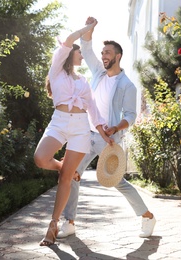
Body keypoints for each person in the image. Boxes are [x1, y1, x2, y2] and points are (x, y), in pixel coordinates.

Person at [58, 17, 156, 239]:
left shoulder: (127, 85)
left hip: (106, 138)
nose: (103, 57)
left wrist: (115, 127)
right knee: (72, 174)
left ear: (118, 56)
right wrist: (90, 29)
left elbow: (131, 115)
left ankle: (147, 216)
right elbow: (86, 47)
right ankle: (69, 221)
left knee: (117, 181)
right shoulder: (99, 73)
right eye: (103, 54)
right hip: (85, 134)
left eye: (108, 53)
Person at [34, 19, 113, 246]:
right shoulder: (57, 70)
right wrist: (87, 30)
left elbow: (93, 110)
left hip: (80, 127)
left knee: (65, 178)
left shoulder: (84, 81)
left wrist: (103, 132)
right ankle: (65, 168)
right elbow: (69, 41)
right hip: (59, 122)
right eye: (78, 54)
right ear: (71, 54)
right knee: (40, 158)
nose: (80, 57)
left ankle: (53, 225)